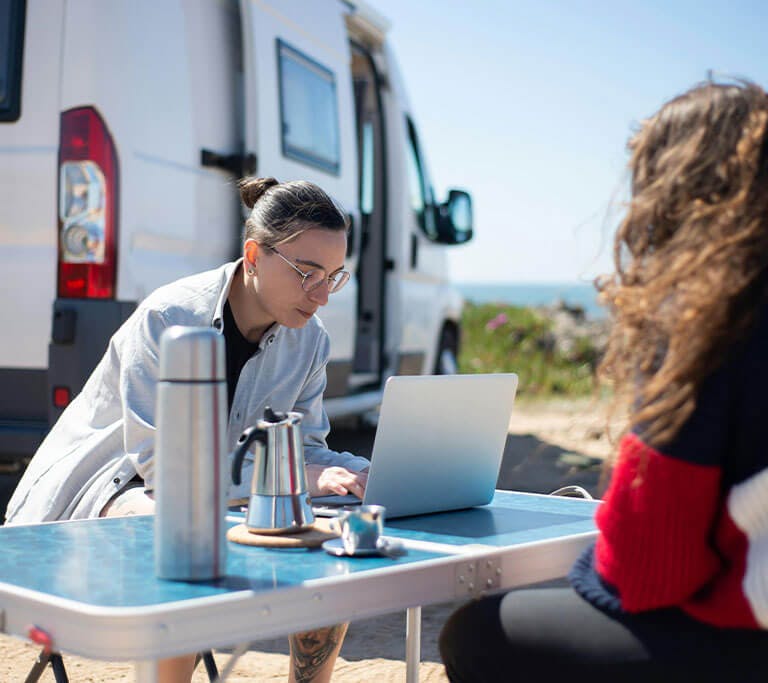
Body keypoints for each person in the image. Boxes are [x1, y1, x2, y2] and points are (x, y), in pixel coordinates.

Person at [439, 80, 768, 682]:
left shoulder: (709, 322)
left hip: (749, 638)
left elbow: (648, 575)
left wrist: (584, 568)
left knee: (479, 632)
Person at [6, 177, 370, 682]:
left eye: (333, 277)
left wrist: (367, 472)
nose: (321, 296)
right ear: (253, 256)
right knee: (180, 531)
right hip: (103, 493)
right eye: (307, 273)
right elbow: (161, 470)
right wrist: (297, 479)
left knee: (337, 537)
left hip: (215, 498)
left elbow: (306, 448)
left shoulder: (310, 340)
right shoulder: (170, 318)